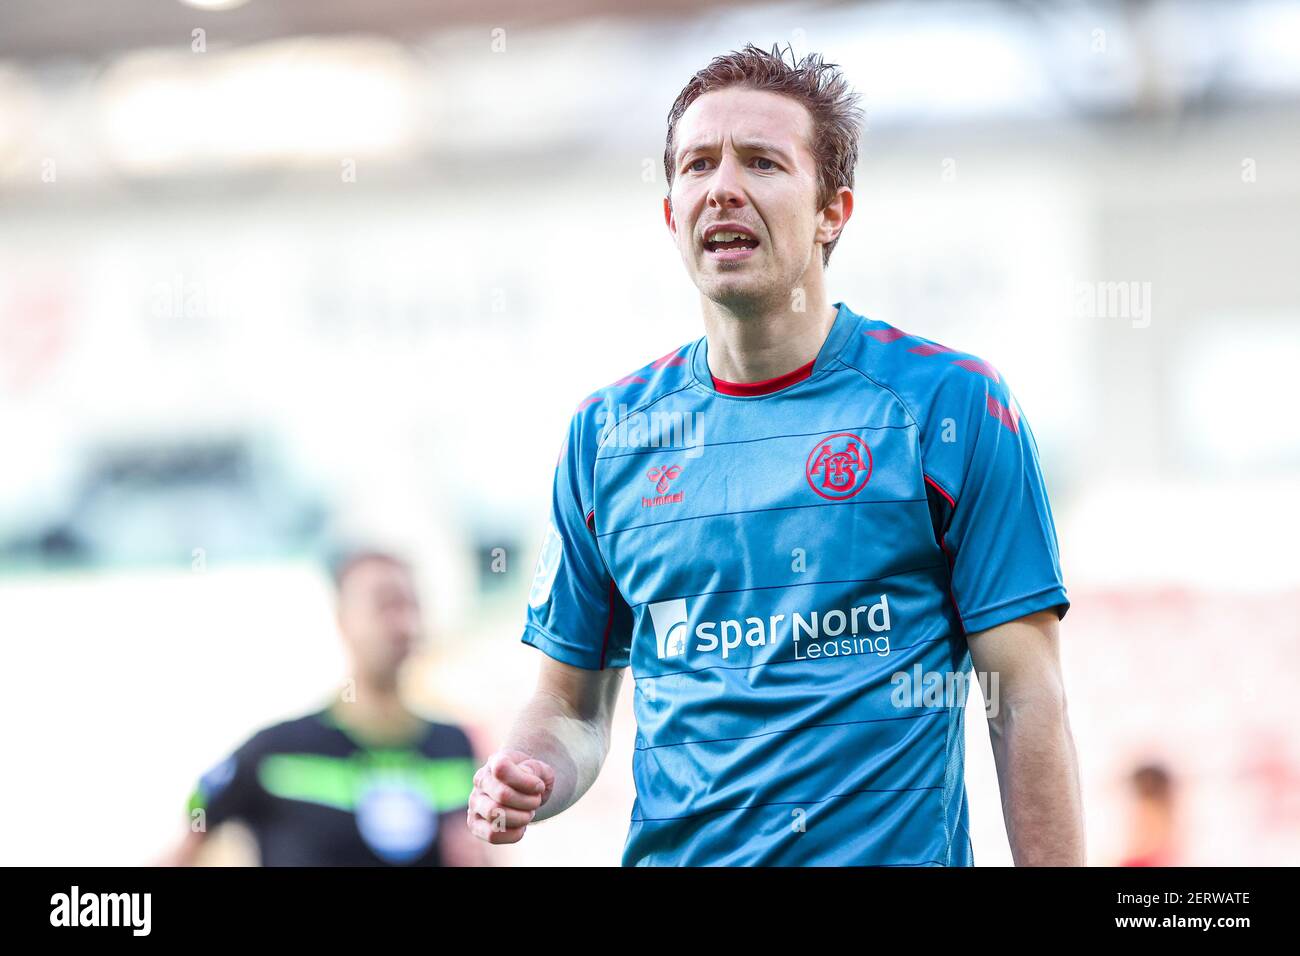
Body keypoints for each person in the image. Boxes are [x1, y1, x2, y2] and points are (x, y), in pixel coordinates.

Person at [469, 43, 1083, 866]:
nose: (722, 186)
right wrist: (533, 769)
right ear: (671, 212)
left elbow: (1025, 699)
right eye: (698, 165)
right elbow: (571, 709)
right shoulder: (605, 434)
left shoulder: (951, 404)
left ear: (834, 211)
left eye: (761, 162)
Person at [167, 549, 483, 866]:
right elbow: (188, 839)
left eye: (411, 605)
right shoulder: (276, 750)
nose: (402, 623)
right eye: (384, 604)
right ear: (343, 619)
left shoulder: (453, 746)